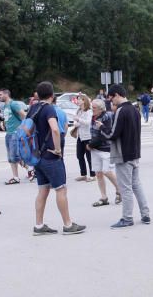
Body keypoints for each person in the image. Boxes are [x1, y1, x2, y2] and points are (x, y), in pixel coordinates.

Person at [29, 82, 85, 235]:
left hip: (37, 157)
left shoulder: (33, 108)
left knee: (42, 190)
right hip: (50, 156)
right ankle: (68, 225)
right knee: (61, 189)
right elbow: (54, 129)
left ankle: (39, 226)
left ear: (37, 94)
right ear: (52, 95)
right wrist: (58, 149)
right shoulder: (48, 109)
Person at [105, 84, 151, 228]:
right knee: (137, 185)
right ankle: (145, 214)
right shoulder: (135, 110)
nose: (111, 102)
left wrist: (101, 128)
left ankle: (127, 218)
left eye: (111, 98)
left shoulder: (121, 111)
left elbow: (113, 134)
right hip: (135, 153)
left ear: (117, 95)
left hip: (123, 154)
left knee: (125, 188)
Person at [88, 98, 121, 206]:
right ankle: (104, 197)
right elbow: (93, 132)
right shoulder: (93, 117)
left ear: (101, 109)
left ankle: (119, 190)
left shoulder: (106, 117)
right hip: (95, 149)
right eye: (92, 107)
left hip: (106, 149)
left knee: (107, 171)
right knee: (98, 173)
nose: (92, 109)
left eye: (94, 107)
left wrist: (90, 145)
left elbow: (104, 134)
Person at [0, 88, 28, 184]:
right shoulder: (5, 106)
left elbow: (24, 115)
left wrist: (22, 128)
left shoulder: (13, 104)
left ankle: (32, 169)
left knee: (15, 155)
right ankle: (16, 177)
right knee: (11, 158)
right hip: (9, 133)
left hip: (15, 133)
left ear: (6, 94)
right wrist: (3, 123)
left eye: (0, 94)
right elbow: (7, 117)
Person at [72, 94, 95, 182]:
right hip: (80, 136)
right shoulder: (79, 111)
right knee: (79, 155)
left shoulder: (88, 111)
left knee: (89, 156)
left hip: (87, 137)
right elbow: (78, 122)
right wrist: (76, 122)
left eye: (79, 99)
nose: (77, 101)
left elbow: (88, 122)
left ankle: (93, 175)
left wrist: (78, 120)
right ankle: (83, 174)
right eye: (77, 99)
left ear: (84, 100)